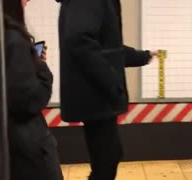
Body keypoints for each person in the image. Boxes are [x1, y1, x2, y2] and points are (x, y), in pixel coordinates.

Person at [56, 0, 158, 179]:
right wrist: (110, 81)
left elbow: (108, 49)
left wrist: (143, 56)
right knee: (107, 159)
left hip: (96, 94)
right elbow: (79, 39)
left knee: (108, 157)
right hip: (96, 94)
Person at [3, 0, 63, 179]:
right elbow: (30, 99)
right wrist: (40, 66)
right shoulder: (13, 38)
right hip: (26, 149)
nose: (27, 1)